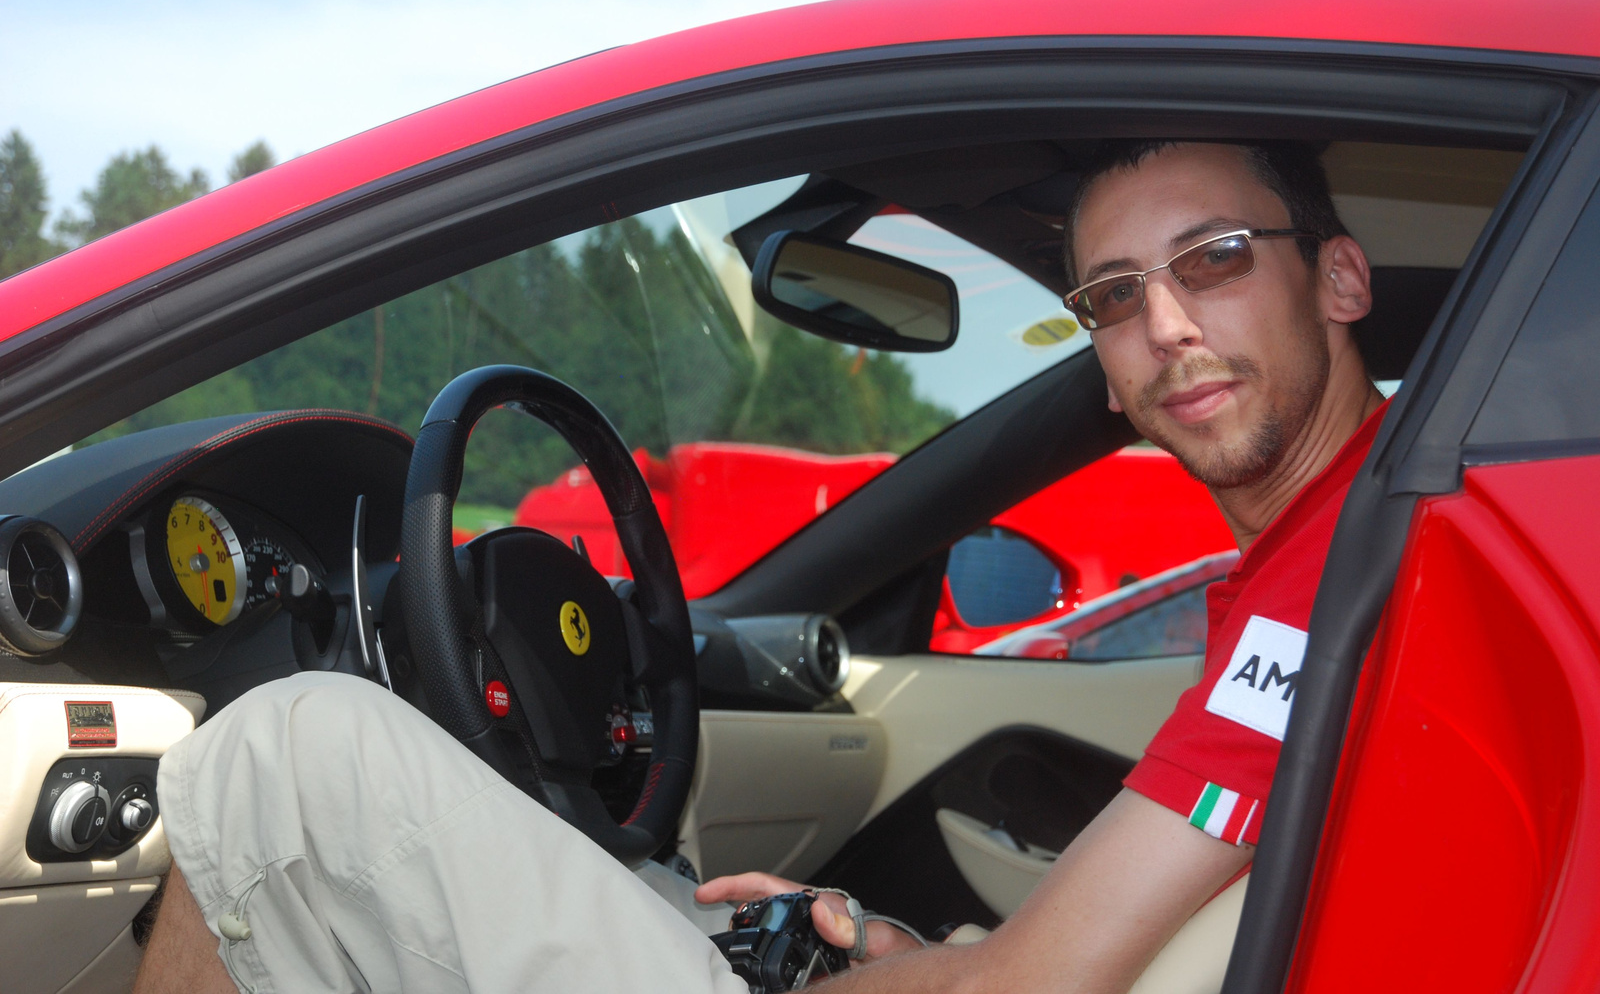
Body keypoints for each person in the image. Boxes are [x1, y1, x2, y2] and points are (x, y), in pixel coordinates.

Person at [131, 139, 1388, 994]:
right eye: (1115, 296)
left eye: (1214, 258)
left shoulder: (1333, 578)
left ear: (1337, 277)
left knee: (281, 759)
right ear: (1107, 375)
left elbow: (1034, 981)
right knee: (724, 917)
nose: (1165, 326)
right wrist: (903, 959)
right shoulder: (1361, 549)